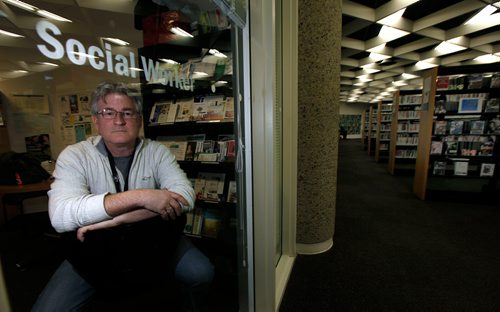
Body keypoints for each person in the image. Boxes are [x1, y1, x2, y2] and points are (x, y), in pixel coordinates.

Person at [32, 81, 214, 311]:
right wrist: (142, 197)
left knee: (201, 273)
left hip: (152, 237)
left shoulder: (157, 151)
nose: (119, 121)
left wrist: (118, 219)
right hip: (95, 247)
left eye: (127, 112)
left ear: (139, 119)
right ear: (96, 120)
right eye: (109, 113)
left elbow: (185, 197)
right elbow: (60, 217)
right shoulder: (75, 156)